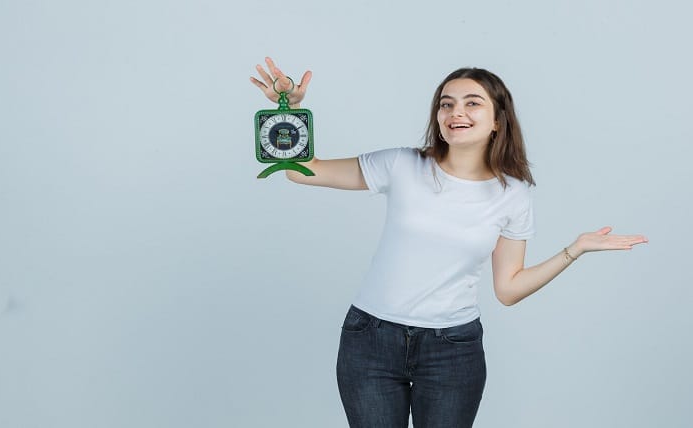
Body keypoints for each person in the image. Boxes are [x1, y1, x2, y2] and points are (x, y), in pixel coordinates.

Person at [250, 57, 648, 428]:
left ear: (497, 120)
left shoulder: (514, 193)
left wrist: (571, 251)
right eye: (446, 104)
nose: (456, 112)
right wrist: (288, 110)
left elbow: (508, 290)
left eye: (472, 103)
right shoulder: (402, 165)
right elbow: (300, 173)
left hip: (452, 351)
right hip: (370, 341)